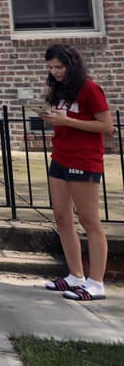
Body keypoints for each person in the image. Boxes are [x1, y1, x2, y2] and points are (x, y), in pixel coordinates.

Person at [38, 44, 111, 302]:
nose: (55, 72)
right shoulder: (59, 89)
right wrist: (51, 117)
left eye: (59, 67)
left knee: (89, 220)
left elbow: (106, 126)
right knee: (62, 217)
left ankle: (96, 282)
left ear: (71, 64)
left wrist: (68, 121)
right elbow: (64, 118)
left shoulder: (90, 89)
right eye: (50, 68)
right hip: (60, 156)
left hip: (84, 160)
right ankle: (75, 275)